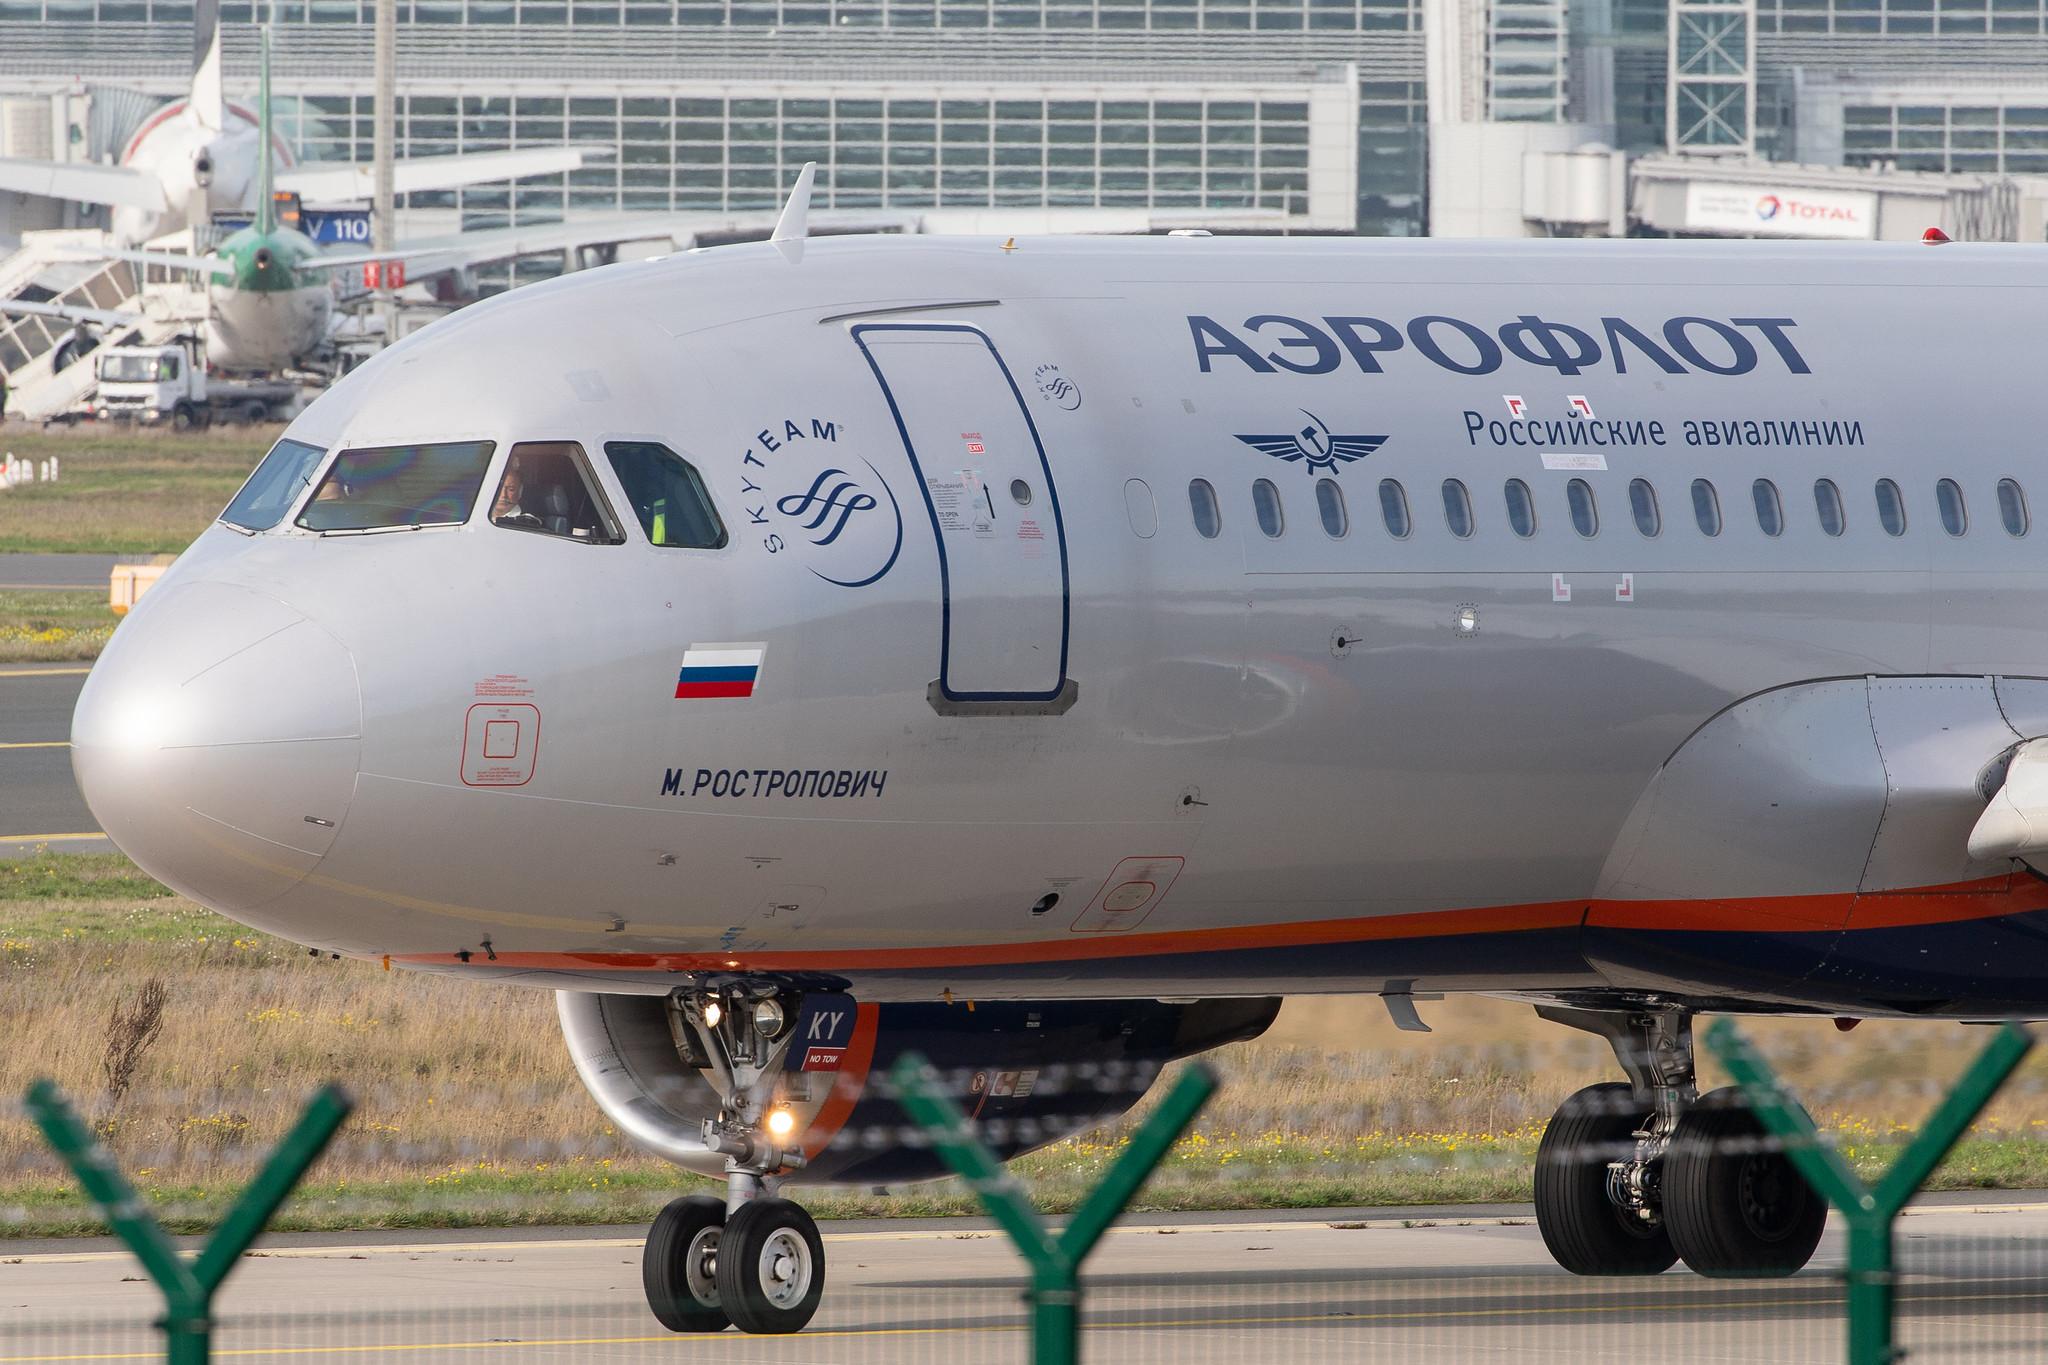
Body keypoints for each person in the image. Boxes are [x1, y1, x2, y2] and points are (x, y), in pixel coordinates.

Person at [492, 454, 534, 525]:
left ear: (520, 492)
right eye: (498, 489)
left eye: (511, 489)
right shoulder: (476, 515)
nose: (503, 495)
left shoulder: (526, 522)